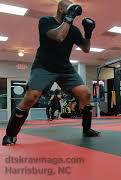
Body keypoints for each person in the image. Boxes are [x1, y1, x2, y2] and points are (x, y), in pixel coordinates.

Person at [2, 0, 100, 146]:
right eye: (69, 7)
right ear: (60, 8)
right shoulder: (46, 21)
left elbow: (86, 49)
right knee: (31, 97)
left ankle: (87, 129)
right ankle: (10, 134)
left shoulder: (74, 30)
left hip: (65, 68)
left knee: (85, 94)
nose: (72, 10)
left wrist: (88, 33)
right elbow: (59, 36)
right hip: (44, 66)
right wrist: (69, 18)